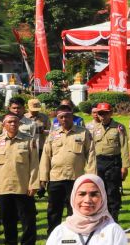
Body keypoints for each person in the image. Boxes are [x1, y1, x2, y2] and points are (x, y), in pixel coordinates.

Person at [39, 101, 97, 236]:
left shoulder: (83, 133)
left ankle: (76, 234)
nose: (64, 119)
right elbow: (46, 156)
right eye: (61, 117)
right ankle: (53, 235)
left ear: (72, 117)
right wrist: (43, 177)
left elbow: (91, 155)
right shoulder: (53, 135)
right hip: (56, 178)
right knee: (54, 209)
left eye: (67, 116)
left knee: (75, 208)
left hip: (75, 178)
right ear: (57, 118)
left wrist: (91, 177)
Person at [0, 113, 39, 245]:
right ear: (3, 125)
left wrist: (33, 184)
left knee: (27, 219)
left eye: (15, 122)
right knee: (7, 219)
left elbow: (34, 165)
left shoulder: (28, 140)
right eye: (10, 122)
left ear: (19, 124)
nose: (13, 124)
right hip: (4, 187)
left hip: (23, 186)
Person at [89, 103, 128, 220]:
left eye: (105, 113)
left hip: (113, 162)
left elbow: (124, 147)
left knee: (112, 191)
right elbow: (91, 148)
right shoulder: (94, 129)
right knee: (99, 191)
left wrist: (125, 166)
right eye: (100, 113)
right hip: (98, 162)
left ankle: (113, 217)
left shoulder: (118, 127)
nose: (102, 116)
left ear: (110, 113)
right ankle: (100, 217)